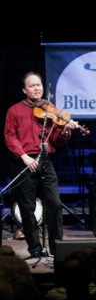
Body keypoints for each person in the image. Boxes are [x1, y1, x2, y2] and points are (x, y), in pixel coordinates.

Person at [4, 72, 78, 258]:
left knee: (54, 204)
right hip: (23, 162)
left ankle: (57, 247)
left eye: (39, 85)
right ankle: (35, 249)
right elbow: (10, 137)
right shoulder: (15, 110)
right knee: (27, 209)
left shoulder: (50, 110)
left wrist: (66, 132)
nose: (37, 88)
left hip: (45, 160)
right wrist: (24, 157)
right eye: (32, 85)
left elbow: (56, 139)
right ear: (24, 90)